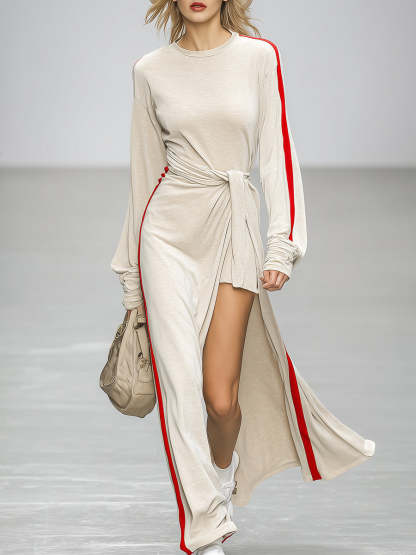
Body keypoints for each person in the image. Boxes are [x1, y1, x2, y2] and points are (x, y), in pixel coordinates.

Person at [110, 1, 376, 553]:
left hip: (234, 226)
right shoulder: (150, 70)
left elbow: (278, 153)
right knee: (179, 384)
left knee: (220, 398)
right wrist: (132, 279)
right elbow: (142, 173)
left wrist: (282, 243)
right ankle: (206, 526)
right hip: (167, 234)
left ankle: (221, 473)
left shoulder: (258, 57)